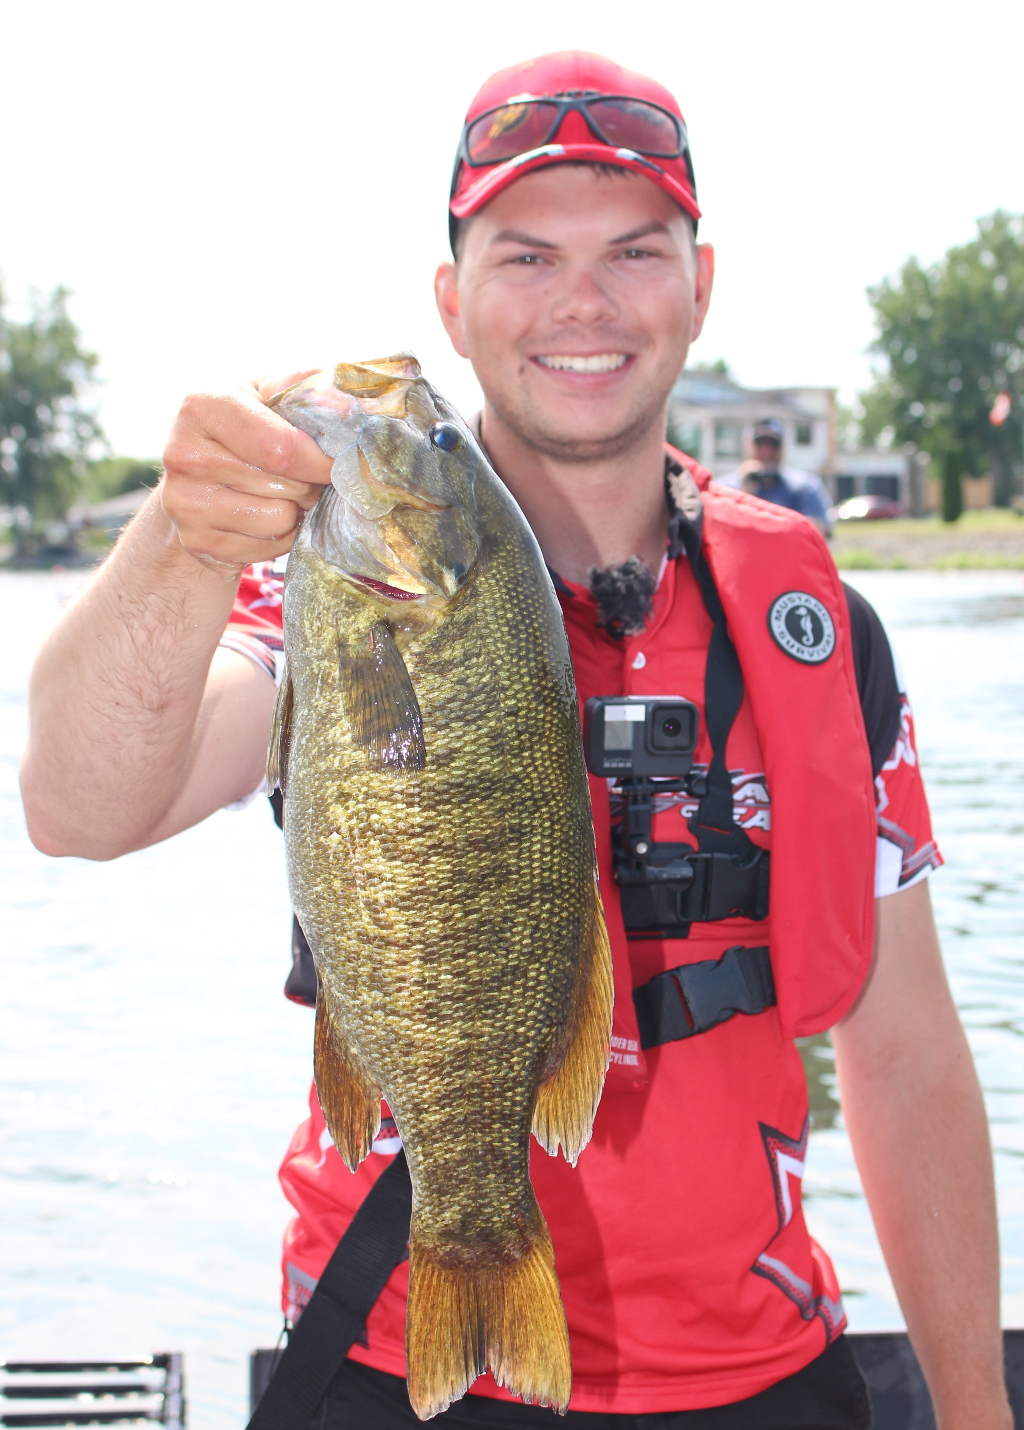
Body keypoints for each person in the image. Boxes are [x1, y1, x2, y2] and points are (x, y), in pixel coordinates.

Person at [20, 49, 1011, 1430]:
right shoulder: (319, 595)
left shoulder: (820, 633)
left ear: (701, 284)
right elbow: (74, 806)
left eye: (636, 251)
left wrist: (976, 1409)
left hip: (759, 1369)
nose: (584, 302)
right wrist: (178, 537)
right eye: (527, 254)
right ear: (454, 297)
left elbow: (903, 1056)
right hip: (384, 1351)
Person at [720, 418, 833, 534]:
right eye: (759, 443)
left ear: (783, 447)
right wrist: (743, 493)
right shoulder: (726, 490)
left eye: (774, 444)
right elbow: (721, 534)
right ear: (747, 445)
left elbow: (817, 535)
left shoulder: (805, 487)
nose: (767, 451)